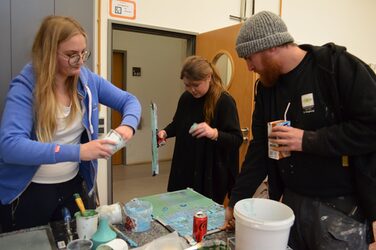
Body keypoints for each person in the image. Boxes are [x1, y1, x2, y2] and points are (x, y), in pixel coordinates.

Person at [222, 11, 376, 249]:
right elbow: (260, 147)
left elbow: (371, 128)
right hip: (289, 205)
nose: (249, 67)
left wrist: (308, 140)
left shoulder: (335, 68)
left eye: (250, 58)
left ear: (270, 47)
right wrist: (236, 201)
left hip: (340, 209)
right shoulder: (267, 88)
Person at [0, 15, 141, 232]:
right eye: (71, 55)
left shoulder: (87, 80)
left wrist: (128, 125)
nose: (80, 61)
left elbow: (129, 101)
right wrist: (78, 152)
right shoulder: (25, 87)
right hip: (31, 193)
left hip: (74, 186)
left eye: (83, 53)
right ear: (48, 52)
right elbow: (10, 146)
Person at [157, 55, 242, 204]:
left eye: (196, 85)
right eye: (187, 85)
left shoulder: (224, 101)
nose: (191, 90)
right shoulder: (186, 98)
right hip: (183, 170)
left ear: (208, 77)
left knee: (203, 219)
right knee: (179, 212)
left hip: (208, 175)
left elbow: (236, 139)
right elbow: (178, 124)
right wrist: (165, 132)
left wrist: (213, 133)